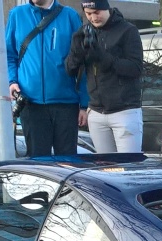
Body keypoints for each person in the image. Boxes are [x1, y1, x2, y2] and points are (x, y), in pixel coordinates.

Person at [5, 0, 88, 157]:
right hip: (31, 103)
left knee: (67, 161)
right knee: (37, 161)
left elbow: (83, 62)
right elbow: (9, 55)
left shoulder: (70, 16)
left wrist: (84, 104)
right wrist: (12, 81)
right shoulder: (17, 15)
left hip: (66, 104)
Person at [65, 0, 144, 153]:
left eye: (97, 12)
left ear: (106, 9)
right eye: (89, 14)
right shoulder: (85, 32)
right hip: (96, 111)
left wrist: (103, 58)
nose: (94, 18)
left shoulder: (127, 31)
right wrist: (76, 50)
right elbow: (70, 70)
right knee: (106, 168)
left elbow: (135, 68)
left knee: (128, 167)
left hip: (124, 110)